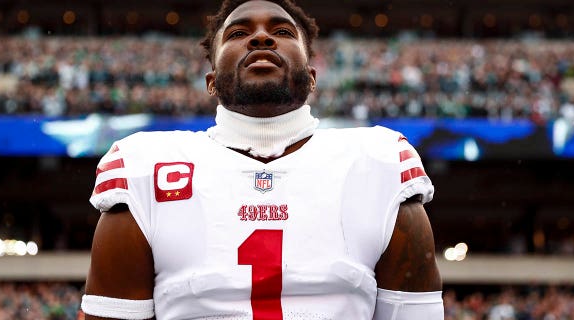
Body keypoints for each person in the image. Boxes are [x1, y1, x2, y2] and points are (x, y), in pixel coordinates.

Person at [81, 0, 443, 319]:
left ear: (312, 77)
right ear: (211, 81)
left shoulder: (378, 161)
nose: (260, 38)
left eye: (282, 31)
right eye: (238, 33)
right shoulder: (145, 165)